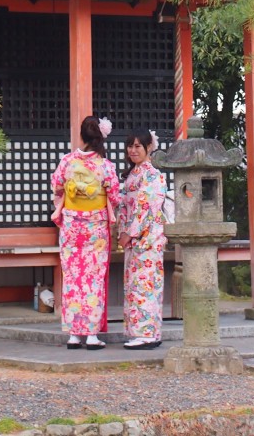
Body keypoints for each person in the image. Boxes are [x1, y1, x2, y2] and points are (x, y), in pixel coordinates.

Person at [51, 115, 120, 350]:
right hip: (96, 228)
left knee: (72, 277)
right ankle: (91, 335)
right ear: (100, 137)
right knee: (93, 277)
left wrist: (72, 195)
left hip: (71, 225)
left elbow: (57, 187)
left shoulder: (67, 161)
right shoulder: (105, 166)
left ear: (81, 136)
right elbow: (115, 197)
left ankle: (73, 334)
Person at [117, 127, 167, 350]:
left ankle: (148, 334)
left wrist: (129, 232)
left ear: (149, 148)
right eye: (130, 146)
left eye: (138, 146)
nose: (133, 150)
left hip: (148, 238)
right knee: (135, 285)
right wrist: (122, 232)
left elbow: (146, 207)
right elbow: (125, 206)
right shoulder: (134, 175)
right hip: (134, 239)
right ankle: (139, 331)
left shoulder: (152, 174)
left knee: (145, 285)